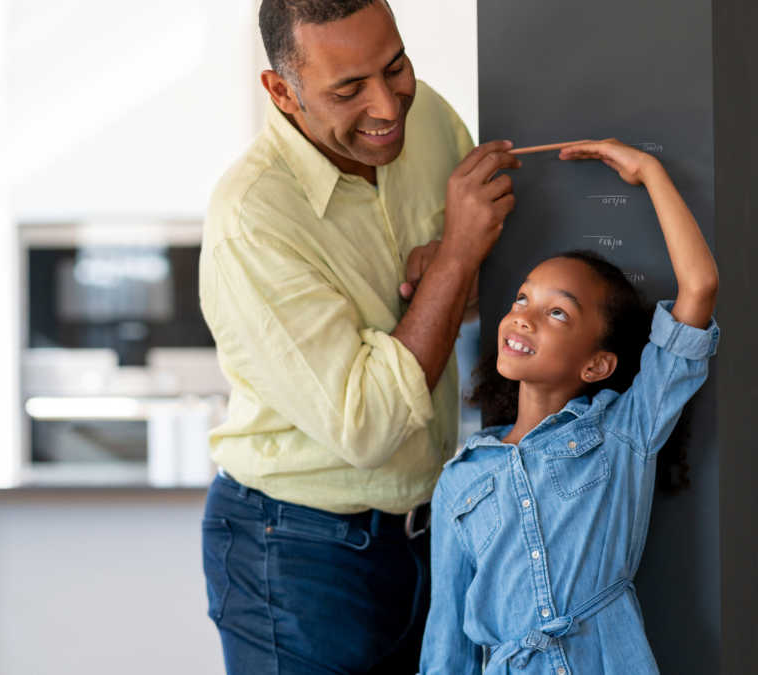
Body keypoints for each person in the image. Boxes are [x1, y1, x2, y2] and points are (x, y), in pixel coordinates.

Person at [198, 1, 519, 673]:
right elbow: (369, 424)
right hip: (296, 551)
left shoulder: (426, 117)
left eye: (395, 66)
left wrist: (457, 279)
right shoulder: (252, 218)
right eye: (348, 89)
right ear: (282, 92)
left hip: (430, 533)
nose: (387, 104)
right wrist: (455, 258)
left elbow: (483, 293)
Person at [419, 139, 720, 674]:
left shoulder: (623, 433)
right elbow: (446, 644)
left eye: (558, 314)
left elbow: (699, 287)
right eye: (522, 299)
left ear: (597, 365)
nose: (524, 317)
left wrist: (650, 171)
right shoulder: (459, 480)